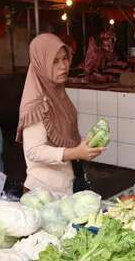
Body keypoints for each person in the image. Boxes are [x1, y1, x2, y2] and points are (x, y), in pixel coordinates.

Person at [17, 33, 105, 196]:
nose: (63, 66)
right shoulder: (36, 102)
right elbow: (34, 151)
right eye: (55, 61)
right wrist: (75, 153)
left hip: (65, 186)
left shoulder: (58, 95)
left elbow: (63, 137)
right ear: (41, 64)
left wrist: (84, 144)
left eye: (65, 58)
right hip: (43, 193)